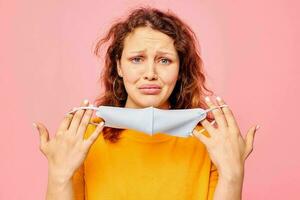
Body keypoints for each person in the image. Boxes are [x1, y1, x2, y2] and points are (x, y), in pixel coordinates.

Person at [33, 7, 259, 200]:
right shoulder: (83, 139)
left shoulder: (212, 143)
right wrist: (59, 174)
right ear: (119, 66)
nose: (150, 73)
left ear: (180, 69)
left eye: (164, 60)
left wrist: (232, 174)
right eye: (137, 59)